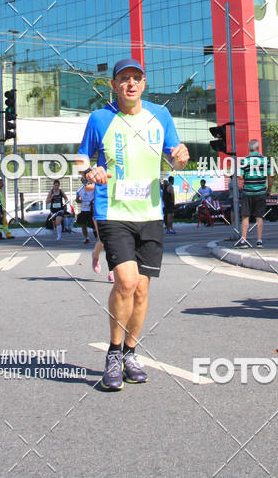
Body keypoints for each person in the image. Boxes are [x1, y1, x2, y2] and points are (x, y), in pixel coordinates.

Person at [78, 57, 189, 391]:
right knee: (125, 282)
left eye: (136, 78)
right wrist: (89, 173)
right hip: (112, 212)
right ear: (113, 85)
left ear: (144, 84)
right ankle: (113, 354)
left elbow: (175, 157)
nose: (130, 83)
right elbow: (83, 160)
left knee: (141, 289)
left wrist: (180, 157)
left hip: (150, 213)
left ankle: (130, 351)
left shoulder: (161, 115)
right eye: (123, 78)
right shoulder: (100, 119)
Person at [237, 139, 271, 248]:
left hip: (248, 192)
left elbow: (240, 176)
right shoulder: (265, 160)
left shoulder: (244, 161)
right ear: (258, 148)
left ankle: (244, 240)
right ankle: (259, 240)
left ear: (249, 148)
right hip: (261, 192)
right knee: (259, 216)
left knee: (245, 216)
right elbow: (270, 177)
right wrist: (269, 189)